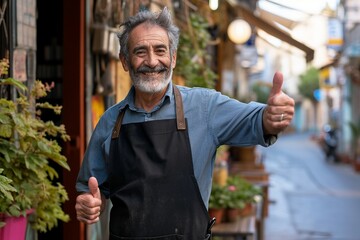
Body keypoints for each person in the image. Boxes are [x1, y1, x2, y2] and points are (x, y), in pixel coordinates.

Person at [75, 7, 295, 239]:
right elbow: (88, 189)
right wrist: (87, 203)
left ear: (173, 57)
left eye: (160, 50)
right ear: (125, 61)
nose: (152, 61)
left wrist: (271, 117)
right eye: (140, 52)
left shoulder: (204, 107)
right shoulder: (110, 121)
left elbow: (255, 120)